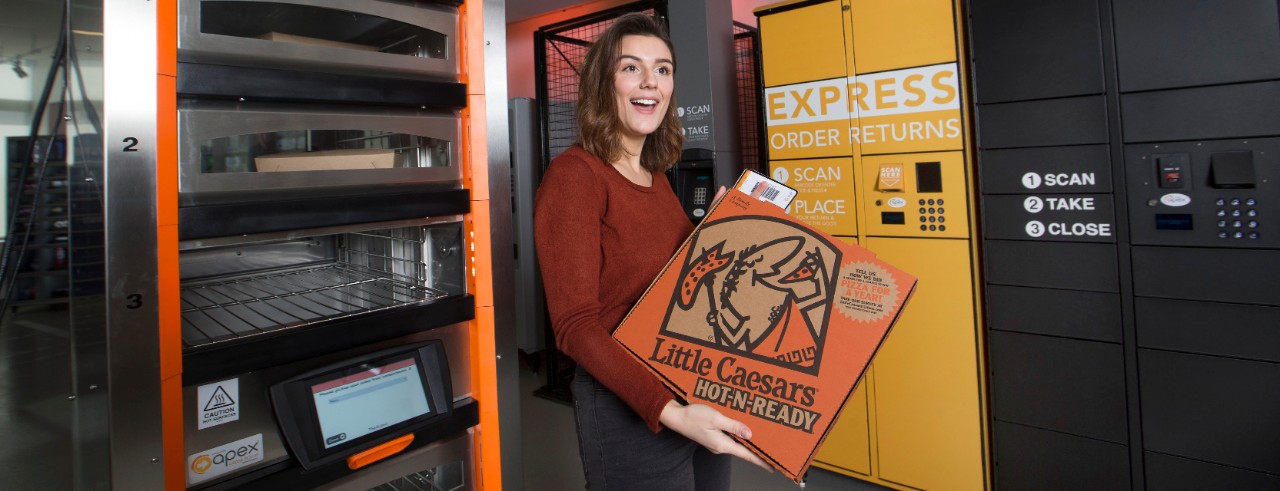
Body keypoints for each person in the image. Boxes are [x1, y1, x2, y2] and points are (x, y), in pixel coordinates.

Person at [533, 12, 770, 491]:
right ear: (605, 82)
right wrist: (670, 412)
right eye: (631, 68)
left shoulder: (655, 176)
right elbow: (575, 326)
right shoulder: (576, 176)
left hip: (693, 390)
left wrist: (722, 232)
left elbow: (680, 285)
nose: (650, 83)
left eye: (662, 69)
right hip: (630, 404)